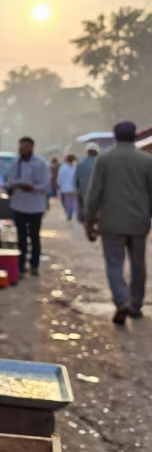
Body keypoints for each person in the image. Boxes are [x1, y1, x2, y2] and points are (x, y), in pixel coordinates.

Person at [85, 120, 152, 324]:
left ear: (115, 136)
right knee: (138, 265)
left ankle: (122, 300)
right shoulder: (146, 160)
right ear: (134, 136)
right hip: (139, 222)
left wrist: (89, 220)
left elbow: (94, 192)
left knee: (114, 264)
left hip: (111, 222)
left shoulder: (105, 159)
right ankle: (136, 305)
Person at [7, 136, 50, 276]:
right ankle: (20, 266)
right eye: (21, 147)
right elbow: (9, 180)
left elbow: (45, 185)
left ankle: (34, 265)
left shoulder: (41, 164)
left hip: (35, 206)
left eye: (25, 147)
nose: (22, 150)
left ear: (31, 148)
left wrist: (31, 188)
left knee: (34, 236)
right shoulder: (15, 163)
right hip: (18, 205)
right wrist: (12, 186)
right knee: (21, 237)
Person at [75, 143, 99, 223]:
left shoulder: (80, 164)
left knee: (85, 210)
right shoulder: (99, 163)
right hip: (97, 192)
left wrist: (77, 191)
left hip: (83, 191)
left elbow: (76, 180)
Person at [57, 154, 78, 220]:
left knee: (67, 202)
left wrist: (59, 185)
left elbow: (60, 178)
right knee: (74, 201)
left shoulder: (62, 168)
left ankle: (69, 213)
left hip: (65, 188)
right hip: (74, 188)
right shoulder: (76, 168)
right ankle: (74, 213)